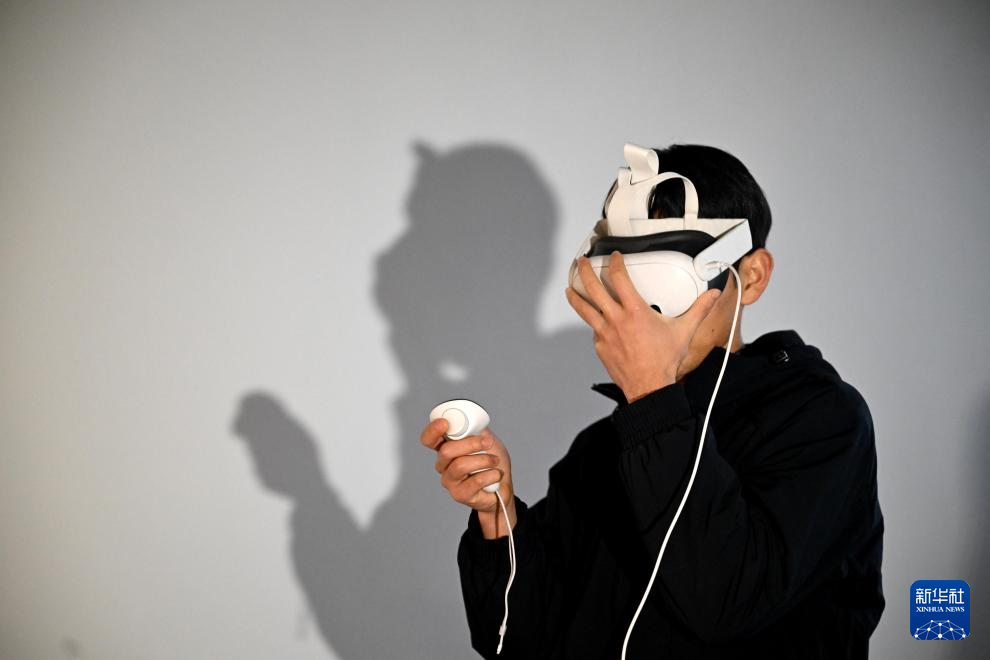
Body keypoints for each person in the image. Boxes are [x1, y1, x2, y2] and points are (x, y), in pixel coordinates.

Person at [419, 144, 885, 659]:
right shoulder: (603, 448)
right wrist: (499, 515)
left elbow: (726, 604)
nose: (642, 306)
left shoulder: (822, 420)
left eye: (663, 272)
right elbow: (514, 641)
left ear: (751, 276)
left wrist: (652, 397)